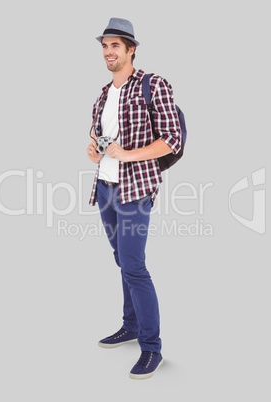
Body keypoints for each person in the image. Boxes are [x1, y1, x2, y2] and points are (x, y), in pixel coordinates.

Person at [86, 17, 182, 380]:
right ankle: (129, 325)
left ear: (131, 50)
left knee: (135, 266)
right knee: (121, 261)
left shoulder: (152, 84)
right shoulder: (103, 93)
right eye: (105, 46)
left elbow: (172, 138)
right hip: (105, 188)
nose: (109, 52)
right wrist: (93, 148)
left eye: (116, 46)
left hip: (135, 190)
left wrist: (128, 154)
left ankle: (151, 347)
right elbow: (97, 135)